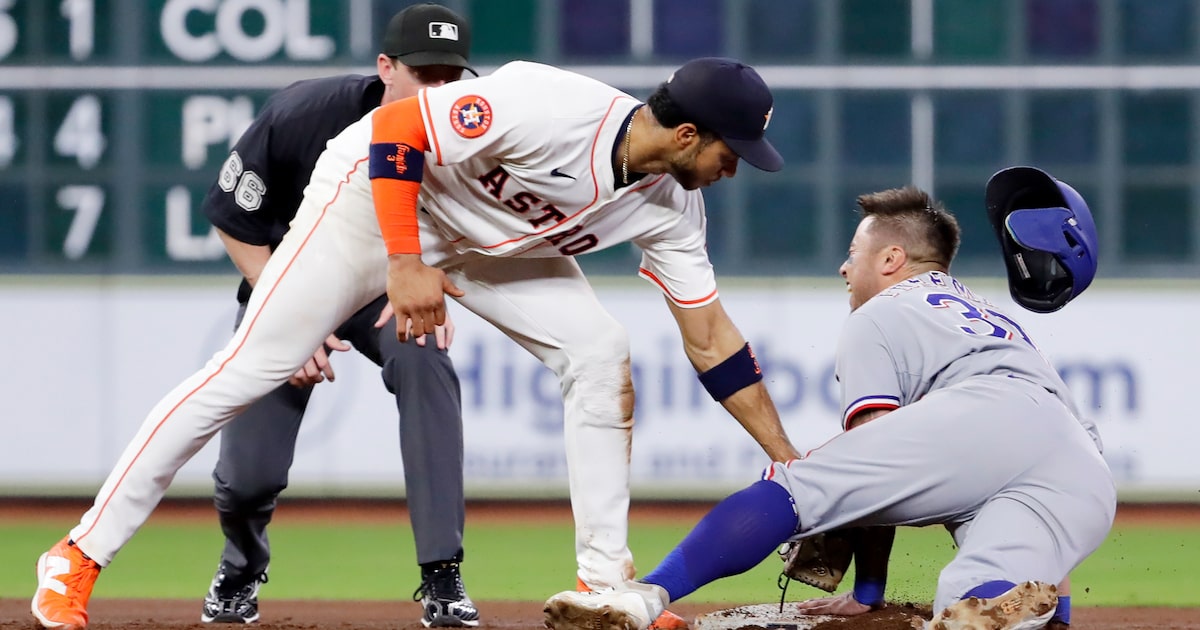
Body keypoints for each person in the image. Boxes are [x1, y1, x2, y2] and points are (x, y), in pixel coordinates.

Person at [32, 56, 801, 630]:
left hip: (483, 243)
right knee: (244, 370)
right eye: (729, 154)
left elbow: (711, 342)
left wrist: (791, 464)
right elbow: (399, 129)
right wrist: (404, 261)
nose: (734, 170)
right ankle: (77, 555)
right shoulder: (552, 102)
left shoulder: (672, 206)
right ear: (688, 133)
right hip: (372, 200)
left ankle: (605, 587)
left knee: (600, 353)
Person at [542, 183, 1115, 630]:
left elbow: (874, 467)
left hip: (990, 411)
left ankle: (643, 598)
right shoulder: (993, 318)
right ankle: (1021, 611)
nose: (845, 268)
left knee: (799, 485)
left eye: (853, 253)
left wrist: (867, 592)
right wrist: (1057, 598)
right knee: (974, 591)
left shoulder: (883, 312)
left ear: (891, 259)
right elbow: (1031, 458)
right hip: (1083, 465)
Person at [191, 4, 480, 627]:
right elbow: (233, 216)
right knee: (247, 478)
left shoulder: (469, 130)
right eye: (425, 75)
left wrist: (433, 280)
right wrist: (290, 314)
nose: (441, 90)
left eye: (451, 76)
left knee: (426, 359)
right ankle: (241, 565)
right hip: (288, 283)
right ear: (385, 69)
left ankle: (442, 575)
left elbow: (482, 226)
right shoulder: (306, 113)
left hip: (384, 292)